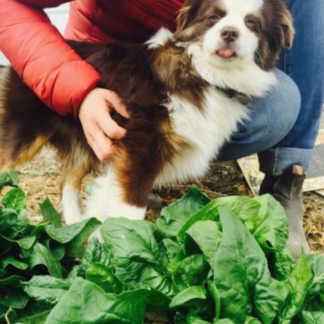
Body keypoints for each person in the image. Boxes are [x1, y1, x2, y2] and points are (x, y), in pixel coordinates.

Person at [0, 0, 323, 258]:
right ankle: (120, 211)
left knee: (276, 104)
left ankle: (285, 179)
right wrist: (77, 90)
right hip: (93, 61)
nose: (231, 29)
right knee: (134, 156)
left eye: (250, 23)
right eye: (217, 19)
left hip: (181, 67)